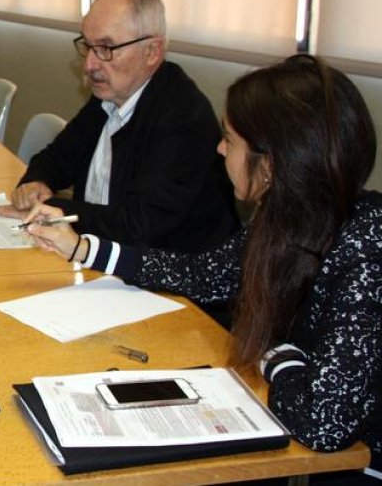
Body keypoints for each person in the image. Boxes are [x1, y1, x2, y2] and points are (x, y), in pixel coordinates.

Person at [23, 55, 382, 482]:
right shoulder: (291, 216)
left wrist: (276, 352)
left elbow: (325, 421)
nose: (219, 149)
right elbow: (202, 274)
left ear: (269, 163)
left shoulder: (367, 244)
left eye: (230, 140)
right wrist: (82, 247)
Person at [0, 0, 239, 252]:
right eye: (88, 46)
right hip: (100, 260)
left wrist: (52, 209)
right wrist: (37, 181)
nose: (90, 64)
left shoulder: (183, 119)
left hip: (166, 284)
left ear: (152, 52)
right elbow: (58, 157)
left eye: (106, 48)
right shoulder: (111, 96)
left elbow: (137, 225)